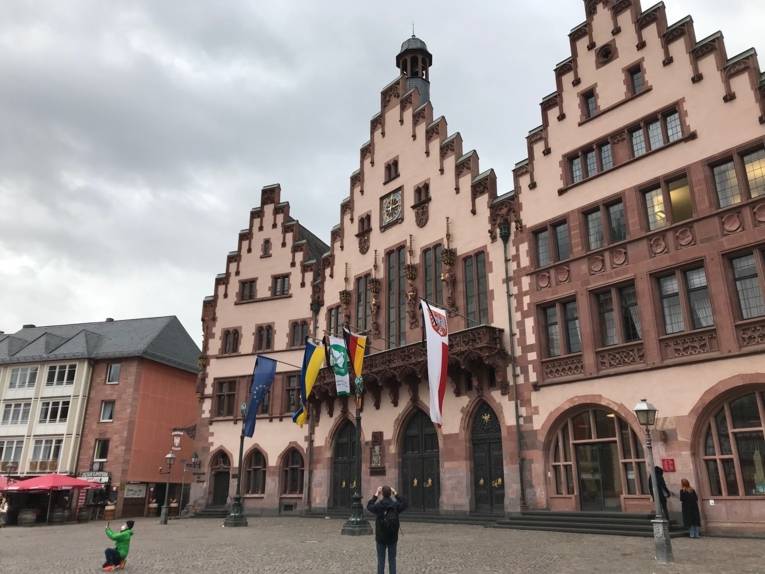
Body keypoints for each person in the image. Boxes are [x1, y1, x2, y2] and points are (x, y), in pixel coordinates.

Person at [367, 485, 407, 574]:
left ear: (382, 494)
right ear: (390, 494)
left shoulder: (379, 506)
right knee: (392, 560)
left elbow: (369, 506)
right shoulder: (395, 505)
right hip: (392, 537)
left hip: (380, 538)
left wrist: (376, 494)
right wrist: (396, 493)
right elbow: (405, 503)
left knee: (381, 561)